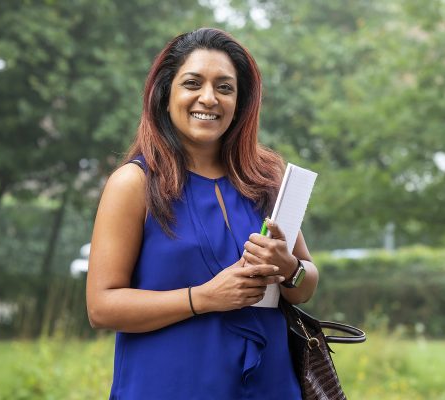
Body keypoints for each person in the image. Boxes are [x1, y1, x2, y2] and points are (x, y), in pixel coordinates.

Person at [86, 27, 319, 400]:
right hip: (169, 387)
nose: (209, 98)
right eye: (192, 83)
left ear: (240, 102)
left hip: (270, 388)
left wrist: (289, 268)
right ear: (165, 95)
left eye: (224, 88)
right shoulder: (133, 184)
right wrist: (204, 297)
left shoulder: (265, 180)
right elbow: (102, 307)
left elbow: (306, 283)